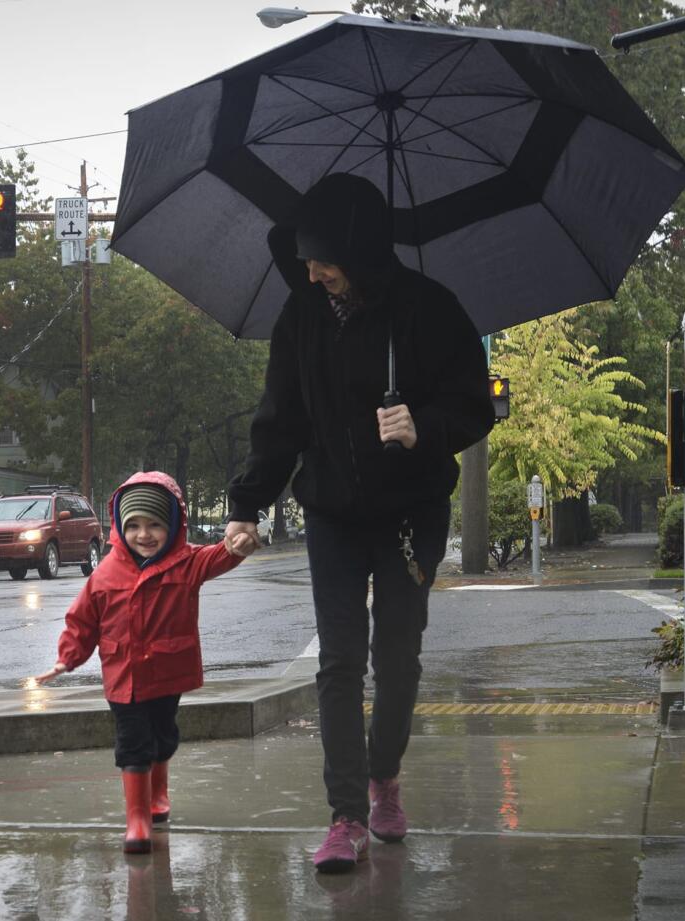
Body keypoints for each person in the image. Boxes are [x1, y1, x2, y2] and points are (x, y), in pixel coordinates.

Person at [225, 172, 494, 873]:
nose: (313, 273)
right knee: (339, 658)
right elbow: (279, 421)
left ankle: (384, 777)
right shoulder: (301, 317)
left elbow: (476, 404)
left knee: (397, 659)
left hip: (411, 513)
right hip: (334, 513)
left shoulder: (429, 310)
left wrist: (424, 425)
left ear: (363, 254)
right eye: (308, 260)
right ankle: (346, 813)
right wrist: (247, 504)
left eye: (326, 261)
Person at [36, 471, 256, 853]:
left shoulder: (185, 563)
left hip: (167, 673)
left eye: (155, 525)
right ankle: (137, 818)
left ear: (172, 525)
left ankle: (158, 795)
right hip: (124, 676)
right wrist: (66, 659)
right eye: (134, 525)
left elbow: (217, 557)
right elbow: (82, 620)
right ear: (121, 528)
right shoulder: (105, 574)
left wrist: (236, 547)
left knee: (163, 736)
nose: (144, 535)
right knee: (133, 743)